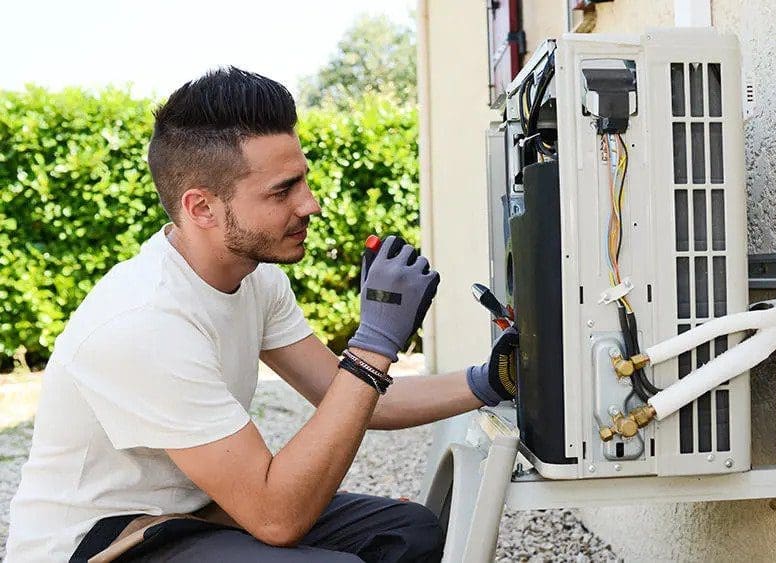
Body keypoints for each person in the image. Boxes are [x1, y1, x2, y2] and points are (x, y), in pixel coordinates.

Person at [4, 67, 518, 562]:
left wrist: (493, 380)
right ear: (201, 207)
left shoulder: (256, 277)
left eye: (302, 181)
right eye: (282, 190)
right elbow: (277, 516)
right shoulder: (145, 323)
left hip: (192, 514)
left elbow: (366, 402)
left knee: (409, 533)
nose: (310, 204)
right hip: (100, 542)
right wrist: (373, 343)